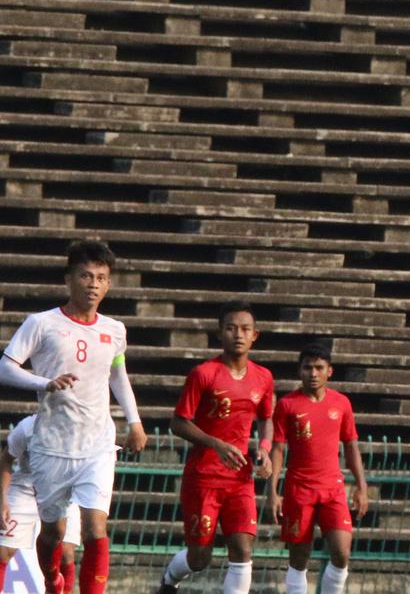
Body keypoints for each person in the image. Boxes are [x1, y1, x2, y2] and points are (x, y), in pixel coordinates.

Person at [0, 239, 146, 594]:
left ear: (108, 283)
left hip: (97, 443)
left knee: (96, 527)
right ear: (69, 279)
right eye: (86, 276)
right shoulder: (42, 323)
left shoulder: (114, 330)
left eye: (101, 277)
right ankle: (52, 581)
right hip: (52, 446)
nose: (94, 284)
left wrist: (135, 421)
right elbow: (5, 367)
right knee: (54, 534)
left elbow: (117, 374)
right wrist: (45, 382)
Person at [158, 300, 275, 594]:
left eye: (245, 329)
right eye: (231, 328)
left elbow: (266, 419)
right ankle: (169, 580)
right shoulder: (204, 374)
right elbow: (178, 422)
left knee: (243, 548)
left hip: (239, 478)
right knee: (200, 557)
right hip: (204, 477)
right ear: (220, 333)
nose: (238, 334)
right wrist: (215, 444)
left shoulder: (263, 377)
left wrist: (264, 447)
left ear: (255, 335)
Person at [268, 342, 368, 594]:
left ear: (329, 371)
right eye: (307, 367)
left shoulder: (341, 403)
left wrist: (361, 486)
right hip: (298, 489)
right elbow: (278, 449)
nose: (313, 373)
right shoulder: (288, 405)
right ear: (299, 370)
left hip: (332, 488)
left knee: (341, 551)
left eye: (318, 368)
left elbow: (351, 446)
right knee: (299, 559)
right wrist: (273, 491)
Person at [0, 415, 85, 594]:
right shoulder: (27, 427)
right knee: (2, 550)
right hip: (26, 488)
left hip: (63, 489)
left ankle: (57, 586)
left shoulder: (82, 428)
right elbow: (6, 459)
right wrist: (3, 500)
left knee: (66, 553)